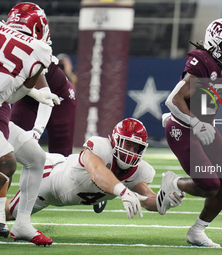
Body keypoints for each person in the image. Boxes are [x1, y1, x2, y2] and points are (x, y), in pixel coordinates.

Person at [157, 18, 222, 247]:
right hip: (182, 128)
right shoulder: (202, 62)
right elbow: (173, 101)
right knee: (209, 185)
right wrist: (196, 124)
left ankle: (197, 231)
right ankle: (174, 183)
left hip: (207, 128)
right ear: (214, 43)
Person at [5, 118, 184, 220]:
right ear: (115, 140)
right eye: (128, 145)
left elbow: (146, 200)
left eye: (136, 148)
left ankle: (101, 195)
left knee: (110, 184)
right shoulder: (100, 147)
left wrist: (164, 201)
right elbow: (98, 173)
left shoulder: (138, 170)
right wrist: (123, 191)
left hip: (77, 191)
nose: (131, 152)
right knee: (8, 215)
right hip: (50, 179)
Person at [0, 2, 61, 246]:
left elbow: (10, 96)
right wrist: (34, 91)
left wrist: (33, 92)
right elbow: (13, 96)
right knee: (6, 161)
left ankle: (22, 223)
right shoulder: (39, 50)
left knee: (35, 158)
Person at [11, 59, 77, 157]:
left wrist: (37, 130)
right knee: (9, 145)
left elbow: (46, 97)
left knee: (60, 156)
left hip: (59, 98)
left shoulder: (25, 57)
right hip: (26, 97)